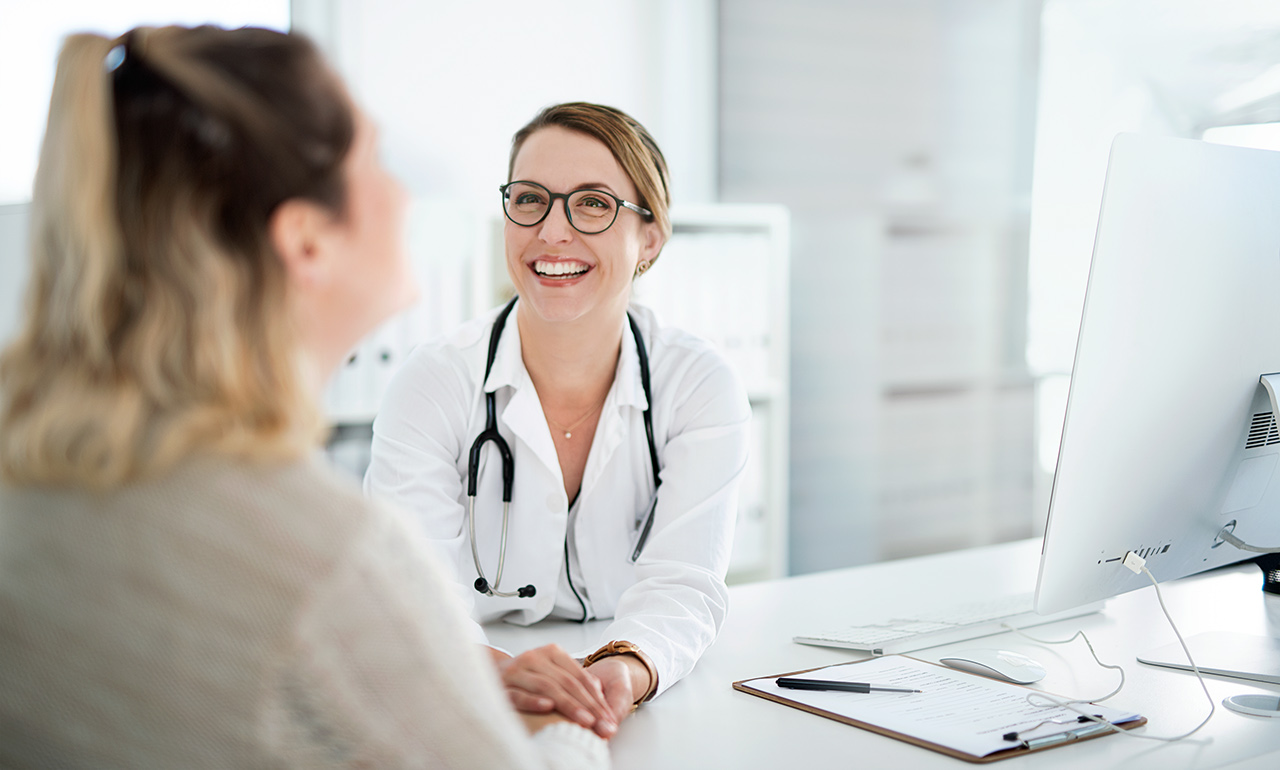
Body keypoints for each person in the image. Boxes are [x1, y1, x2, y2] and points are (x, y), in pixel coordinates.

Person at [0, 26, 607, 769]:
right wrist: (575, 733)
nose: (403, 193)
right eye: (374, 160)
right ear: (309, 242)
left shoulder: (29, 475)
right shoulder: (326, 562)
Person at [364, 102, 751, 736]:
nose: (552, 232)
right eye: (530, 199)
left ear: (649, 238)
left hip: (630, 707)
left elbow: (685, 581)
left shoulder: (699, 386)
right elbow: (408, 595)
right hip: (457, 705)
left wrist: (626, 668)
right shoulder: (432, 382)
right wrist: (485, 669)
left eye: (593, 203)